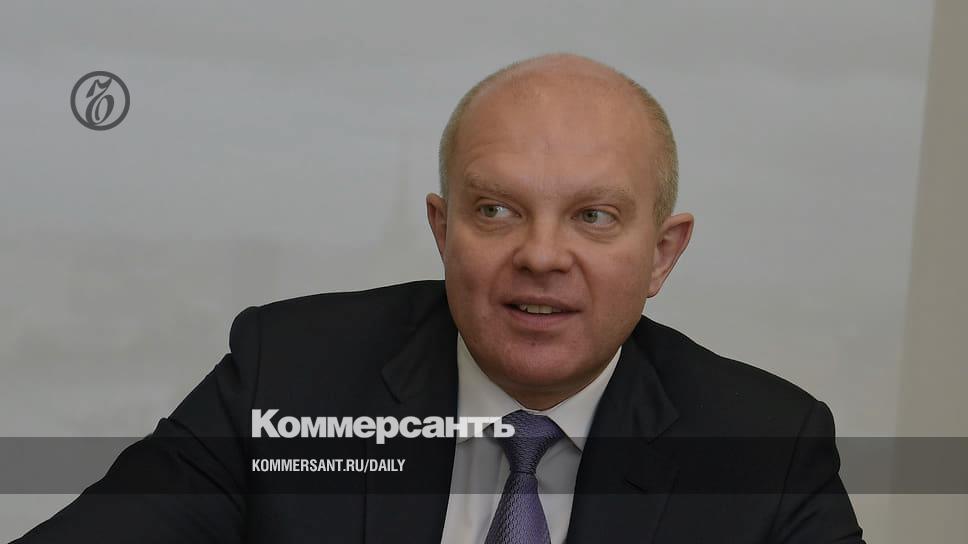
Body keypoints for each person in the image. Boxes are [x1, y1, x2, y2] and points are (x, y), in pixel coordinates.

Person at [15, 53, 865, 543]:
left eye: (594, 217)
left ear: (662, 254)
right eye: (495, 210)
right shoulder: (290, 376)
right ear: (442, 228)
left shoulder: (767, 450)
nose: (541, 256)